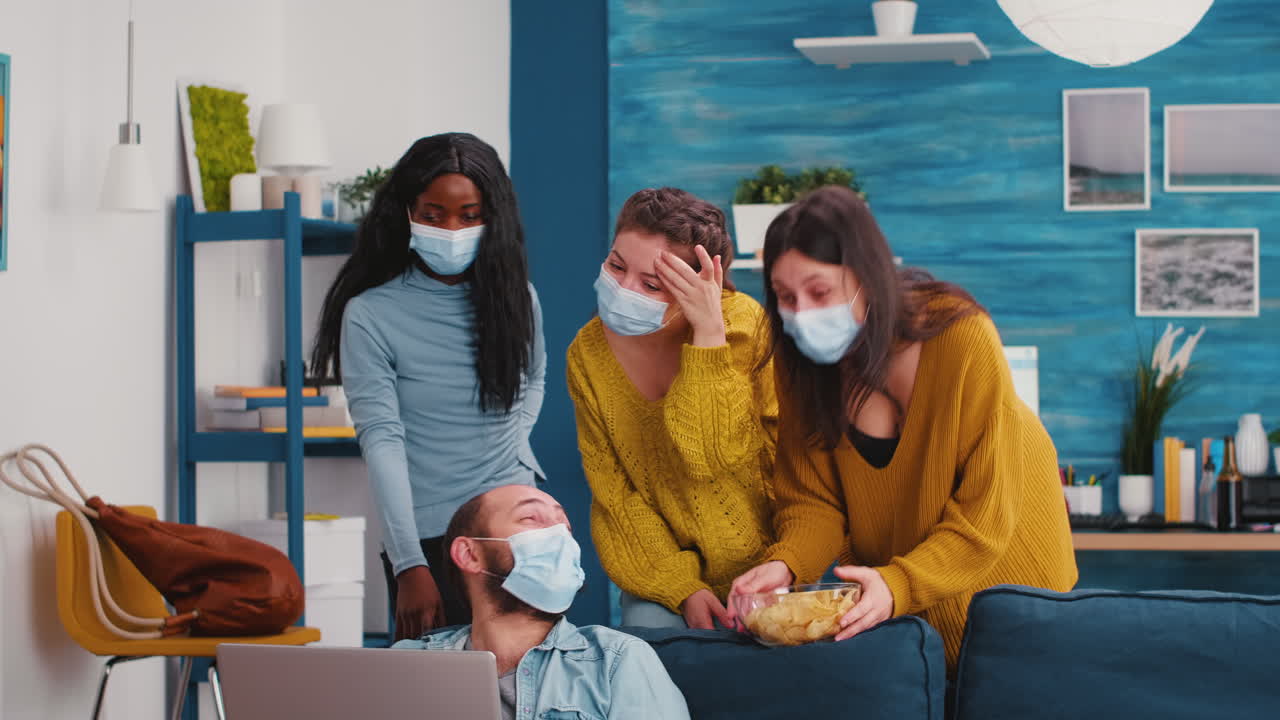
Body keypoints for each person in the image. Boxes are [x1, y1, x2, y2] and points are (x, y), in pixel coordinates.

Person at [728, 185, 1077, 668]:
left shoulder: (961, 339)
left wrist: (899, 584)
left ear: (867, 278)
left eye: (820, 291)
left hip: (1016, 598)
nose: (802, 315)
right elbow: (814, 502)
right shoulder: (801, 365)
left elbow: (984, 516)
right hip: (913, 615)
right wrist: (784, 565)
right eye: (786, 298)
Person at [311, 132, 546, 641]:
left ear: (492, 217)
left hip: (518, 532)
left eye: (469, 215)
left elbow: (534, 380)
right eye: (433, 214)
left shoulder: (518, 299)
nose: (451, 229)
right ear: (407, 213)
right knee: (433, 696)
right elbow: (382, 441)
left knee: (528, 693)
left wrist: (512, 444)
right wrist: (408, 564)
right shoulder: (371, 314)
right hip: (431, 542)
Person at [566, 187, 777, 629]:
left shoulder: (744, 326)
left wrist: (708, 336)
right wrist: (683, 588)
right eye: (616, 266)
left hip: (768, 563)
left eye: (651, 284)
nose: (623, 290)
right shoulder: (587, 355)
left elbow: (711, 454)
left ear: (699, 286)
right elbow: (614, 494)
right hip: (663, 570)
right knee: (650, 644)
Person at [394, 484, 691, 720]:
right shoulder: (407, 664)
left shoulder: (618, 660)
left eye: (565, 526)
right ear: (470, 555)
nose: (558, 536)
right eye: (531, 519)